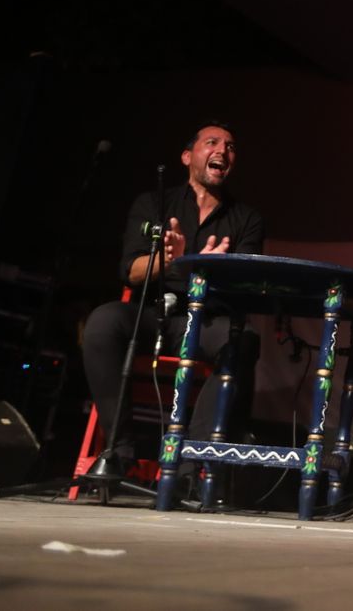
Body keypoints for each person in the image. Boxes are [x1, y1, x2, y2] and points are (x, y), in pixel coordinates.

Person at [81, 121, 266, 473]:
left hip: (210, 319)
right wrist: (172, 263)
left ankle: (188, 465)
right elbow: (130, 270)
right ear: (187, 156)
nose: (222, 151)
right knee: (103, 323)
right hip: (155, 315)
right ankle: (119, 452)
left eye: (230, 146)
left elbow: (249, 286)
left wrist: (216, 273)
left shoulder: (247, 219)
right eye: (212, 142)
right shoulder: (154, 203)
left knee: (243, 341)